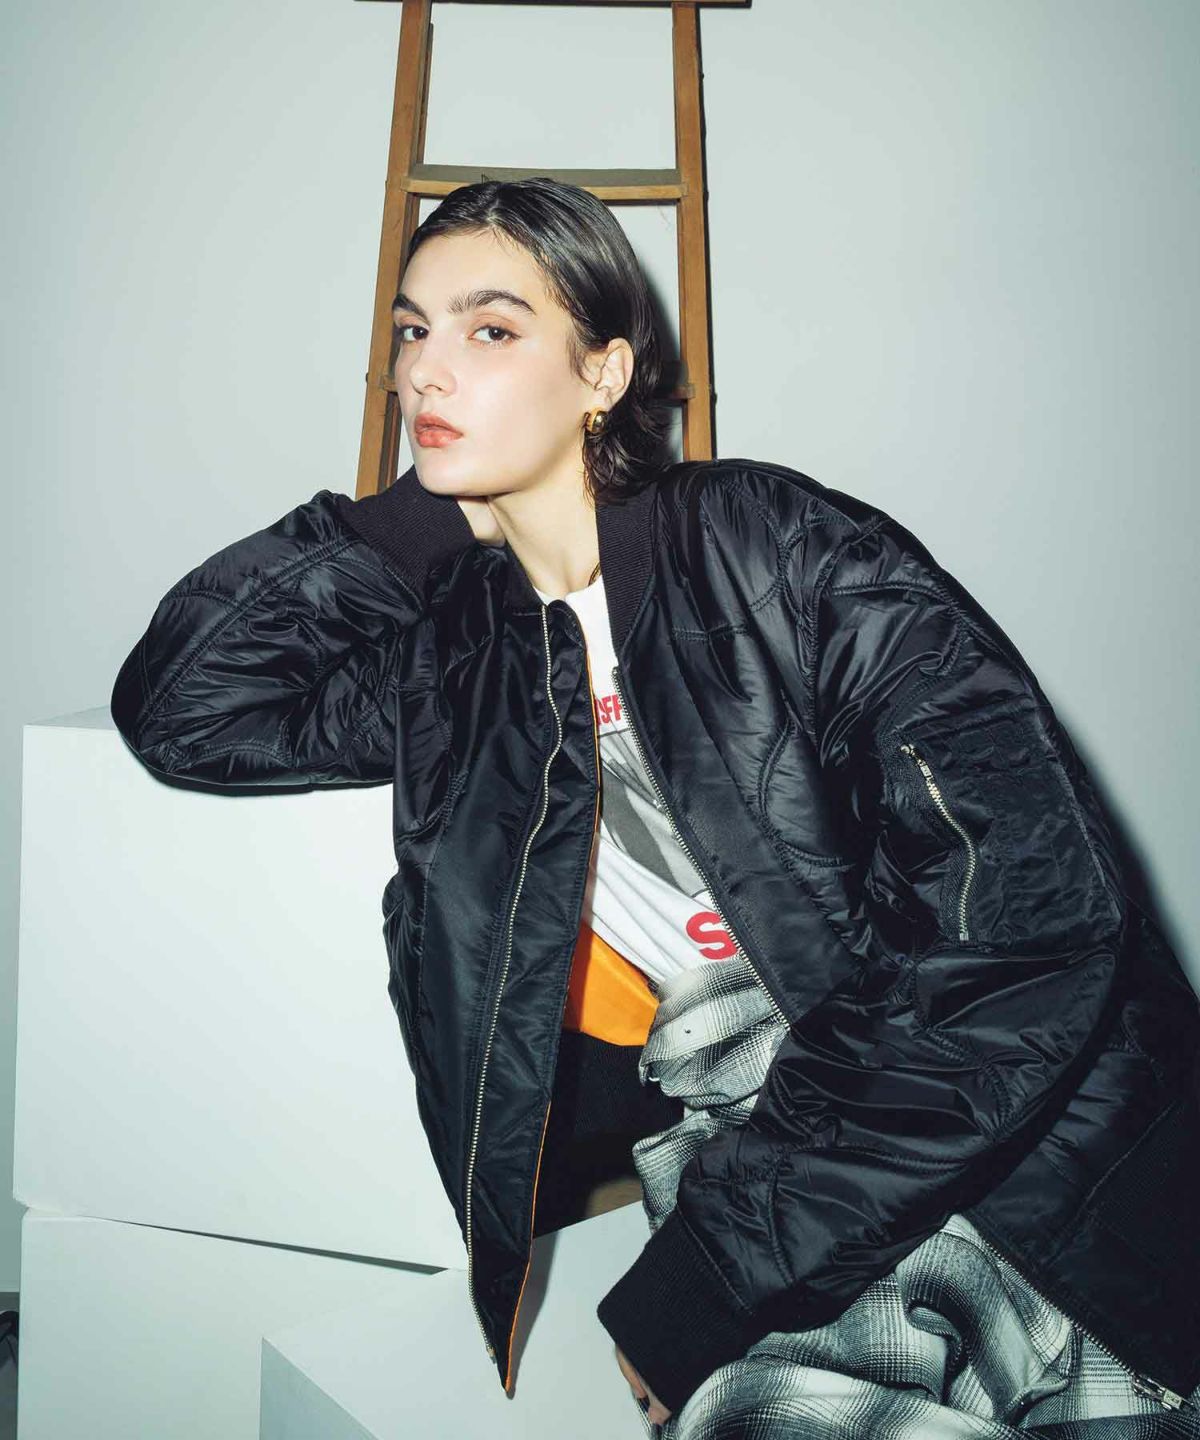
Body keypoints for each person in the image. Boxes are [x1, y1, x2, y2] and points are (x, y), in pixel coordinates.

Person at [110, 177, 1200, 1436]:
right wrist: (415, 518)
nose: (425, 370)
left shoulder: (775, 550)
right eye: (412, 330)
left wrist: (712, 1273)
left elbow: (1022, 937)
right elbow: (184, 708)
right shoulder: (461, 664)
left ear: (604, 371)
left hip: (1022, 1163)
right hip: (752, 1150)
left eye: (491, 328)